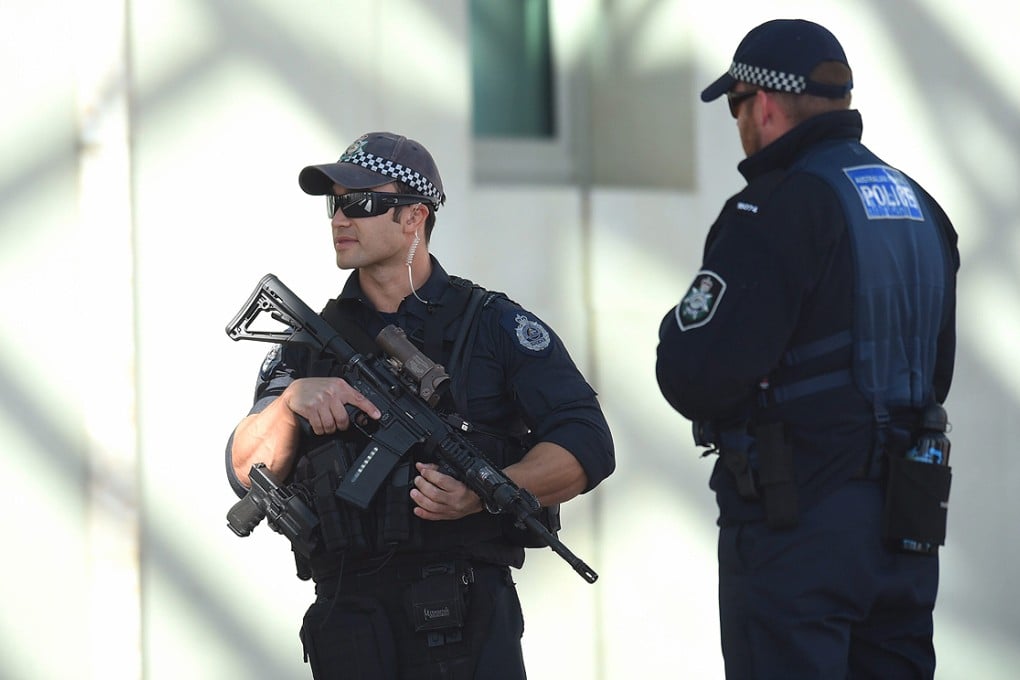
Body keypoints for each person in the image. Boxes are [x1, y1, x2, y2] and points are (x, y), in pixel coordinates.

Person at [226, 131, 615, 679]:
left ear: (414, 217)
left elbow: (587, 442)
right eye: (335, 203)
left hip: (466, 613)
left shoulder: (492, 325)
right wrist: (290, 404)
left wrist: (483, 493)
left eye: (360, 203)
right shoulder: (311, 342)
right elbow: (245, 469)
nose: (339, 219)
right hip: (351, 621)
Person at [655, 19, 959, 679]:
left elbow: (697, 375)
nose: (739, 123)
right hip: (905, 528)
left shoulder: (776, 207)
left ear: (761, 104)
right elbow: (935, 373)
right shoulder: (921, 207)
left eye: (736, 107)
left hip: (799, 530)